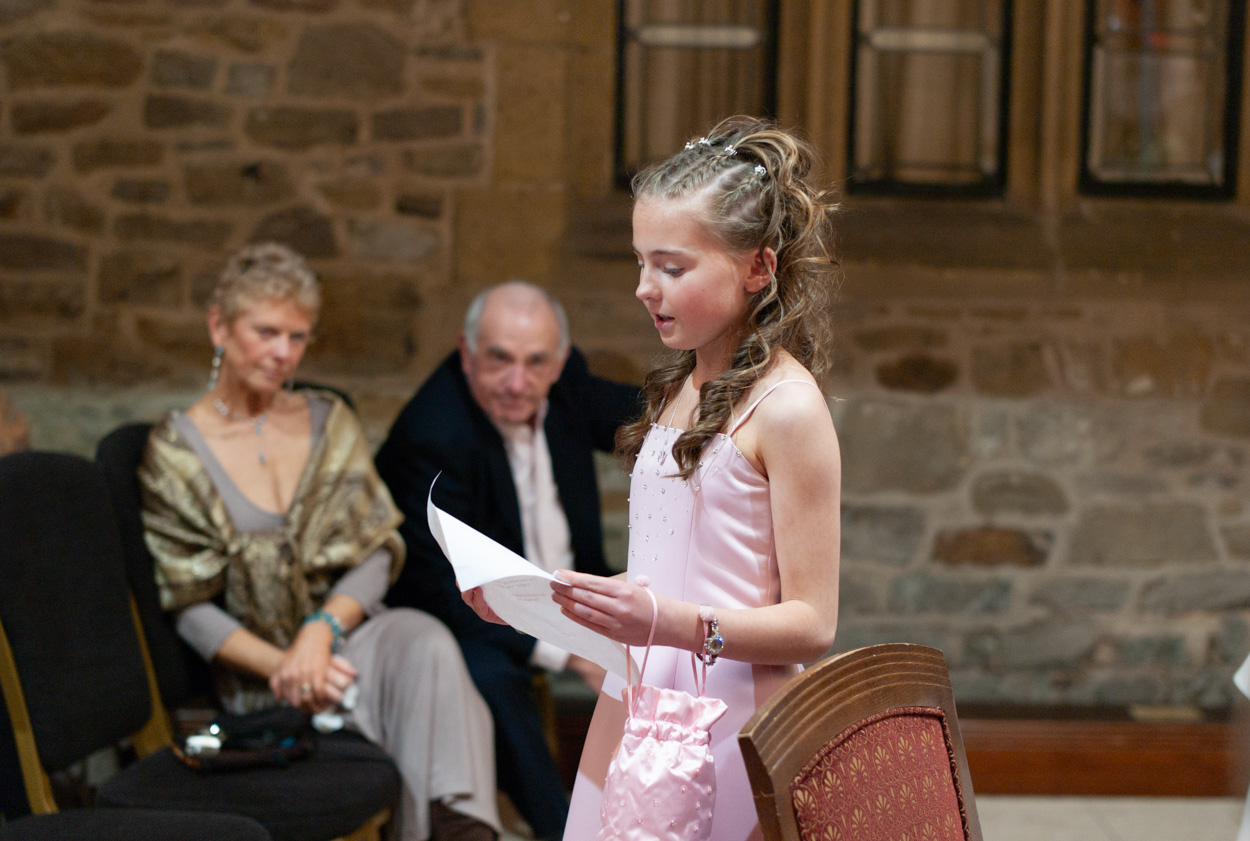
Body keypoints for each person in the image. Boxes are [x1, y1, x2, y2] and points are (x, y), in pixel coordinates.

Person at [464, 117, 843, 841]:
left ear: (757, 268)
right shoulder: (680, 384)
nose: (645, 288)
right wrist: (539, 605)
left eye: (672, 267)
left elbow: (813, 623)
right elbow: (665, 565)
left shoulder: (788, 409)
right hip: (635, 700)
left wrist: (665, 622)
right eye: (640, 263)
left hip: (729, 722)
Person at [138, 243, 500, 841]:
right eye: (267, 332)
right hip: (260, 680)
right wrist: (288, 664)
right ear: (218, 326)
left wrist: (320, 630)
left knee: (424, 639)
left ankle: (457, 829)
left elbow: (377, 550)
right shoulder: (173, 451)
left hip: (347, 644)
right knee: (423, 687)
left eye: (299, 337)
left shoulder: (327, 419)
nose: (284, 353)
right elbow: (188, 603)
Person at [375, 281, 641, 841]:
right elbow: (436, 589)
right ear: (467, 352)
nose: (518, 384)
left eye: (535, 362)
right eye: (498, 360)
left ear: (559, 361)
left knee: (678, 633)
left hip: (573, 590)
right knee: (489, 675)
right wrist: (569, 652)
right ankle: (562, 828)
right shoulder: (431, 434)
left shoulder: (563, 382)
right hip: (475, 615)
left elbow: (649, 417)